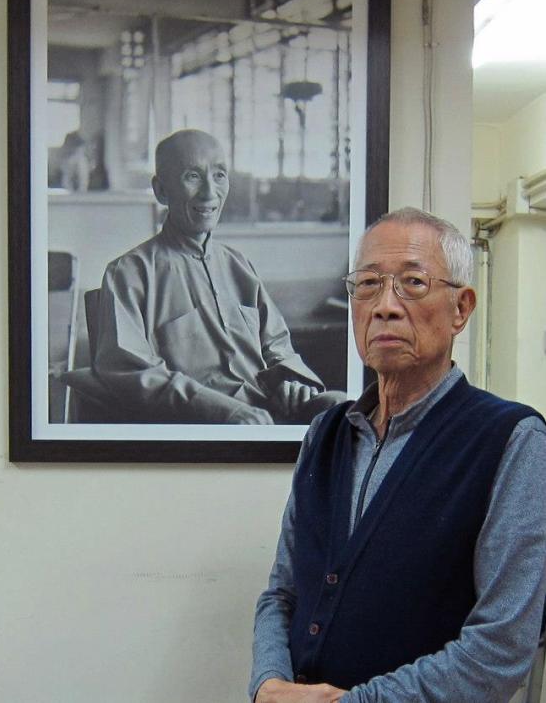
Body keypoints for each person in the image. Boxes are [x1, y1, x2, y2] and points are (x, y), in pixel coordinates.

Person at [250, 207, 546, 702]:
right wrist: (268, 685)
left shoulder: (512, 439)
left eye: (413, 283)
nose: (385, 306)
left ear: (461, 308)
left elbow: (501, 647)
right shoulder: (326, 434)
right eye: (368, 284)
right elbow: (282, 594)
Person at [86, 129, 345, 424]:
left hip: (268, 411)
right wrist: (224, 410)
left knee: (340, 406)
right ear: (161, 190)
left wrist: (292, 381)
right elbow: (131, 371)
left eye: (219, 175)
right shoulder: (130, 273)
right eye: (193, 176)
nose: (209, 192)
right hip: (201, 424)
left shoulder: (238, 265)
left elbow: (277, 346)